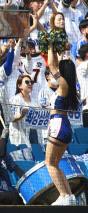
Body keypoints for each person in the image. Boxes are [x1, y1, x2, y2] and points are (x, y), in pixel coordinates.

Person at [46, 46, 81, 205]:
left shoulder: (63, 85)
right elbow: (54, 64)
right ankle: (68, 196)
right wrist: (55, 50)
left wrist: (50, 45)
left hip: (58, 124)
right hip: (64, 125)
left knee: (49, 163)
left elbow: (51, 66)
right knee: (56, 164)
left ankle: (64, 195)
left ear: (63, 72)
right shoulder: (67, 85)